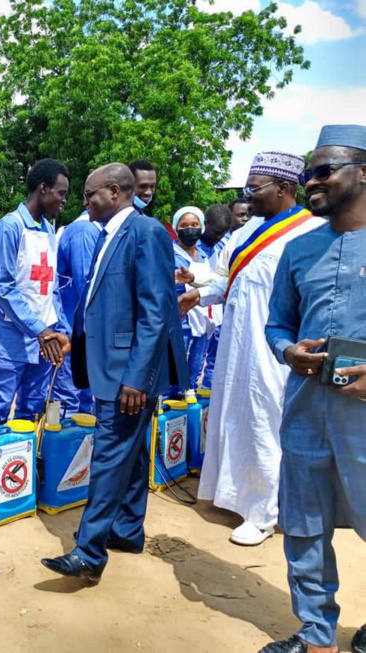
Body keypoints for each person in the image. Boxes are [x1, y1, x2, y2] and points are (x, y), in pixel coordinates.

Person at [41, 163, 187, 582]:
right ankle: (126, 530)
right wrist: (79, 340)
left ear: (115, 192)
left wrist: (138, 378)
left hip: (128, 374)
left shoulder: (146, 232)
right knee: (133, 453)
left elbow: (156, 311)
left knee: (107, 456)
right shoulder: (108, 235)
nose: (84, 202)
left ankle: (89, 552)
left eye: (90, 195)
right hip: (111, 366)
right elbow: (108, 305)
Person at [261, 124, 366, 653]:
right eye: (307, 175)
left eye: (325, 171)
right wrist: (288, 351)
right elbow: (277, 323)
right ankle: (316, 633)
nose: (311, 183)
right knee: (303, 522)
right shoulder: (298, 251)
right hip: (305, 408)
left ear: (364, 173)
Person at [187, 151, 323, 546]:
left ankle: (265, 512)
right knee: (236, 416)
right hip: (235, 345)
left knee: (266, 420)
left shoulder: (310, 232)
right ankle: (237, 495)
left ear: (283, 189)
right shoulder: (245, 233)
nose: (248, 196)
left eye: (255, 187)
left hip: (274, 349)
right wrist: (196, 292)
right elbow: (226, 282)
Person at [0, 158, 71, 425]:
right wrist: (39, 330)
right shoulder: (10, 227)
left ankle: (25, 462)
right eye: (61, 193)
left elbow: (52, 287)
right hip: (13, 336)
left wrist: (60, 330)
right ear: (43, 189)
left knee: (33, 409)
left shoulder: (48, 230)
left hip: (44, 336)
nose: (64, 201)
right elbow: (5, 288)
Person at [53, 211, 100, 415]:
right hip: (72, 331)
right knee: (69, 401)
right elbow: (87, 290)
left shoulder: (98, 230)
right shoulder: (84, 231)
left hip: (86, 331)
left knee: (86, 397)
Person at [172, 206, 217, 389]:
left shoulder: (205, 254)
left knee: (196, 366)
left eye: (194, 224)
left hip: (205, 318)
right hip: (182, 318)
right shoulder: (170, 253)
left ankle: (190, 402)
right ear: (176, 228)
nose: (190, 229)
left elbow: (215, 281)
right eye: (184, 225)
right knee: (176, 367)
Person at [195, 204, 232, 389]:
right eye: (216, 232)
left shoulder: (223, 247)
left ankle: (207, 397)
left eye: (223, 233)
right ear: (205, 223)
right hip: (193, 317)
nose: (218, 238)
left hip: (216, 316)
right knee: (190, 367)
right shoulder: (190, 246)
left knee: (214, 361)